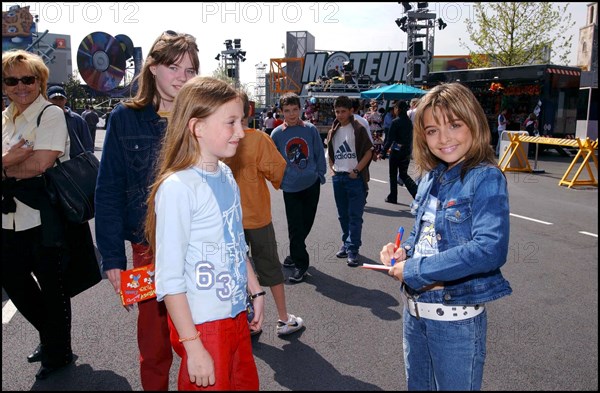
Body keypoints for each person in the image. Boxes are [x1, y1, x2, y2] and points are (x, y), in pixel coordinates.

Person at [379, 82, 512, 390]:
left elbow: (489, 249)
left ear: (474, 123)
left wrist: (415, 270)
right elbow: (422, 236)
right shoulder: (430, 177)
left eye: (454, 125)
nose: (444, 138)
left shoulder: (485, 177)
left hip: (456, 321)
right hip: (414, 315)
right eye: (432, 130)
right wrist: (403, 252)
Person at [94, 30, 199, 391]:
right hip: (149, 251)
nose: (183, 77)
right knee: (153, 350)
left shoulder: (201, 118)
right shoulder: (126, 118)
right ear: (152, 68)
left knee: (198, 345)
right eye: (174, 67)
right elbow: (107, 190)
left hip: (201, 251)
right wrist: (111, 258)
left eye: (190, 70)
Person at [144, 76, 263, 390]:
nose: (241, 132)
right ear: (197, 127)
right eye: (231, 122)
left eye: (242, 121)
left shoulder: (225, 174)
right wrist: (194, 346)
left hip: (236, 313)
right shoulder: (178, 188)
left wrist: (255, 289)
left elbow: (235, 241)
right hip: (203, 324)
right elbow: (169, 279)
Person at [2, 50, 74, 380]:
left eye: (27, 79)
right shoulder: (4, 118)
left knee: (52, 288)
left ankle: (57, 353)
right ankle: (52, 339)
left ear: (39, 81)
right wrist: (10, 162)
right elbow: (21, 166)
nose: (20, 86)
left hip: (44, 215)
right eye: (11, 80)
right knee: (13, 280)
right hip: (8, 217)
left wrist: (7, 162)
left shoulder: (51, 115)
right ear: (4, 85)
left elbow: (41, 163)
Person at [222, 92, 304, 336]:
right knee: (270, 267)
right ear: (249, 110)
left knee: (234, 270)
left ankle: (245, 320)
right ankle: (283, 318)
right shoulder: (258, 139)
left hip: (225, 220)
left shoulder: (215, 138)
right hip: (256, 215)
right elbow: (277, 173)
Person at [270, 92, 327, 283]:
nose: (292, 114)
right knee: (295, 227)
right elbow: (273, 161)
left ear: (301, 109)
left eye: (295, 110)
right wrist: (278, 181)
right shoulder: (277, 134)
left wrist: (320, 174)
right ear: (281, 112)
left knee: (306, 224)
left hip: (311, 184)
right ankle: (301, 265)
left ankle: (294, 253)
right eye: (287, 111)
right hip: (291, 188)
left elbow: (319, 152)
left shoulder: (310, 129)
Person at [325, 95, 373, 267]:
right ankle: (346, 243)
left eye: (343, 111)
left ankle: (353, 249)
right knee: (342, 215)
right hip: (339, 177)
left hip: (355, 178)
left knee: (355, 216)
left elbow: (369, 151)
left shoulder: (358, 128)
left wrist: (356, 170)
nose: (339, 115)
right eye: (337, 111)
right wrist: (333, 169)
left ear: (351, 111)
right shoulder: (333, 130)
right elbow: (330, 153)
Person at [380, 100, 419, 202]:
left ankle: (393, 196)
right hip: (406, 151)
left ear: (399, 109)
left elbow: (389, 139)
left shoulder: (395, 122)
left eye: (395, 108)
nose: (394, 110)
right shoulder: (409, 122)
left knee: (393, 174)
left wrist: (383, 152)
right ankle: (416, 193)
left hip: (396, 151)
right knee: (403, 174)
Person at [47, 86, 94, 158]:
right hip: (49, 163)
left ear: (65, 100)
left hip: (74, 163)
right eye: (54, 99)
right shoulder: (42, 119)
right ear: (47, 100)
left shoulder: (77, 120)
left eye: (61, 99)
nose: (58, 102)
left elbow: (88, 145)